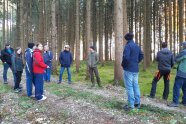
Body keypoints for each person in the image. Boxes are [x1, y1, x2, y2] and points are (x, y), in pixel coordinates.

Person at [121, 33, 144, 111]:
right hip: (135, 69)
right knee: (136, 86)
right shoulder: (137, 46)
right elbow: (141, 55)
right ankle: (137, 103)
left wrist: (123, 65)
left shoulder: (128, 46)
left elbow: (126, 57)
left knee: (129, 87)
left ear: (126, 39)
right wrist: (136, 62)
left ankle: (131, 105)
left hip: (128, 69)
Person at [168, 41, 186, 107]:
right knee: (185, 88)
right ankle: (185, 102)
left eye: (183, 45)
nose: (182, 47)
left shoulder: (184, 52)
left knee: (177, 87)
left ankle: (175, 102)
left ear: (184, 46)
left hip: (181, 73)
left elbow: (176, 59)